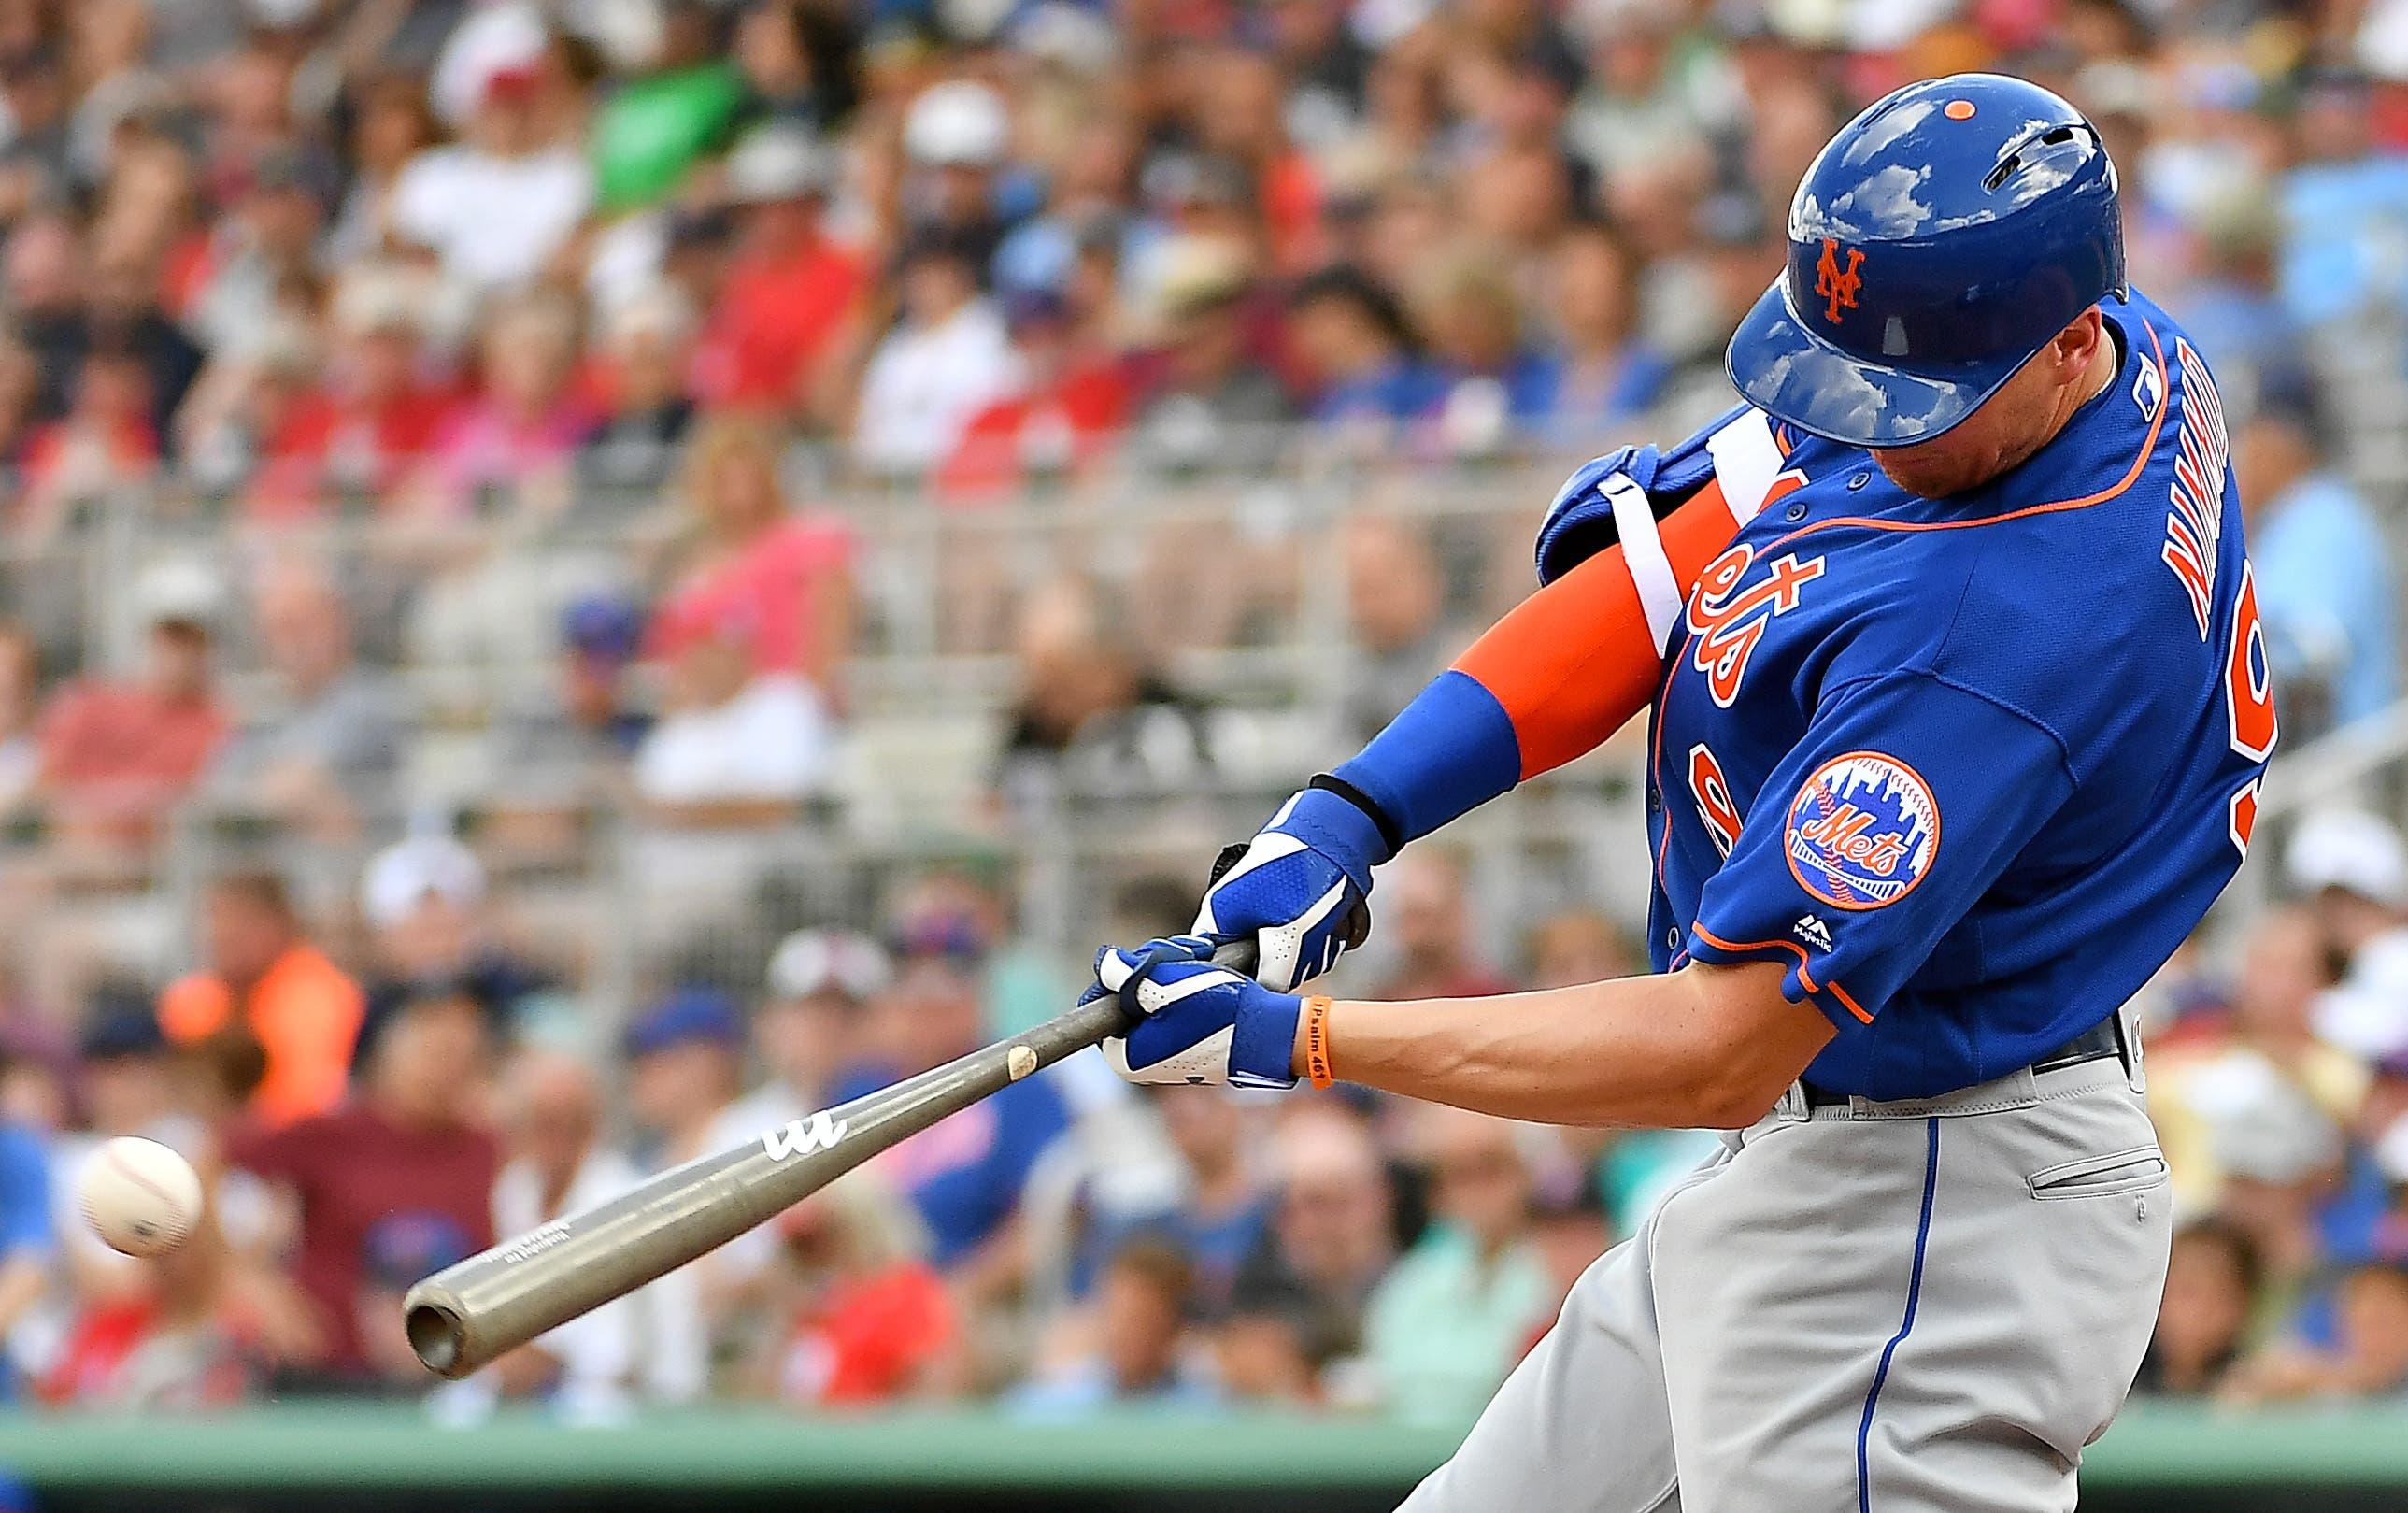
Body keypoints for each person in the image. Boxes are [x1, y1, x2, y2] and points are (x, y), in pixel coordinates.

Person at [1086, 77, 2270, 1509]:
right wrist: (1347, 815)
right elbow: (1661, 579)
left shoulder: (2004, 629)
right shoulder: (2070, 346)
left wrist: (1304, 1038)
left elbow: (1721, 1042)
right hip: (1836, 1158)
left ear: (2067, 338)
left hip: (1931, 1217)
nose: (1871, 427)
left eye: (1908, 394)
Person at [224, 985, 499, 1388]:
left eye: (463, 1055)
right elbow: (209, 1160)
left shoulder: (488, 1149)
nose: (447, 1068)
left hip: (453, 1383)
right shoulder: (332, 1134)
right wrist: (252, 1283)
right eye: (434, 1050)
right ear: (385, 1051)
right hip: (327, 1375)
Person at [1364, 1107, 1552, 1425]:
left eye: (1491, 1169)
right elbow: (1393, 1378)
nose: (1478, 1191)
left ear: (1525, 1175)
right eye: (1459, 1175)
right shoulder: (1411, 1283)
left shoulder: (1559, 1268)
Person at [157, 871, 364, 1129]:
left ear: (281, 925)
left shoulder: (322, 995)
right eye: (216, 917)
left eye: (243, 919)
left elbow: (302, 1101)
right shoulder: (190, 998)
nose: (224, 931)